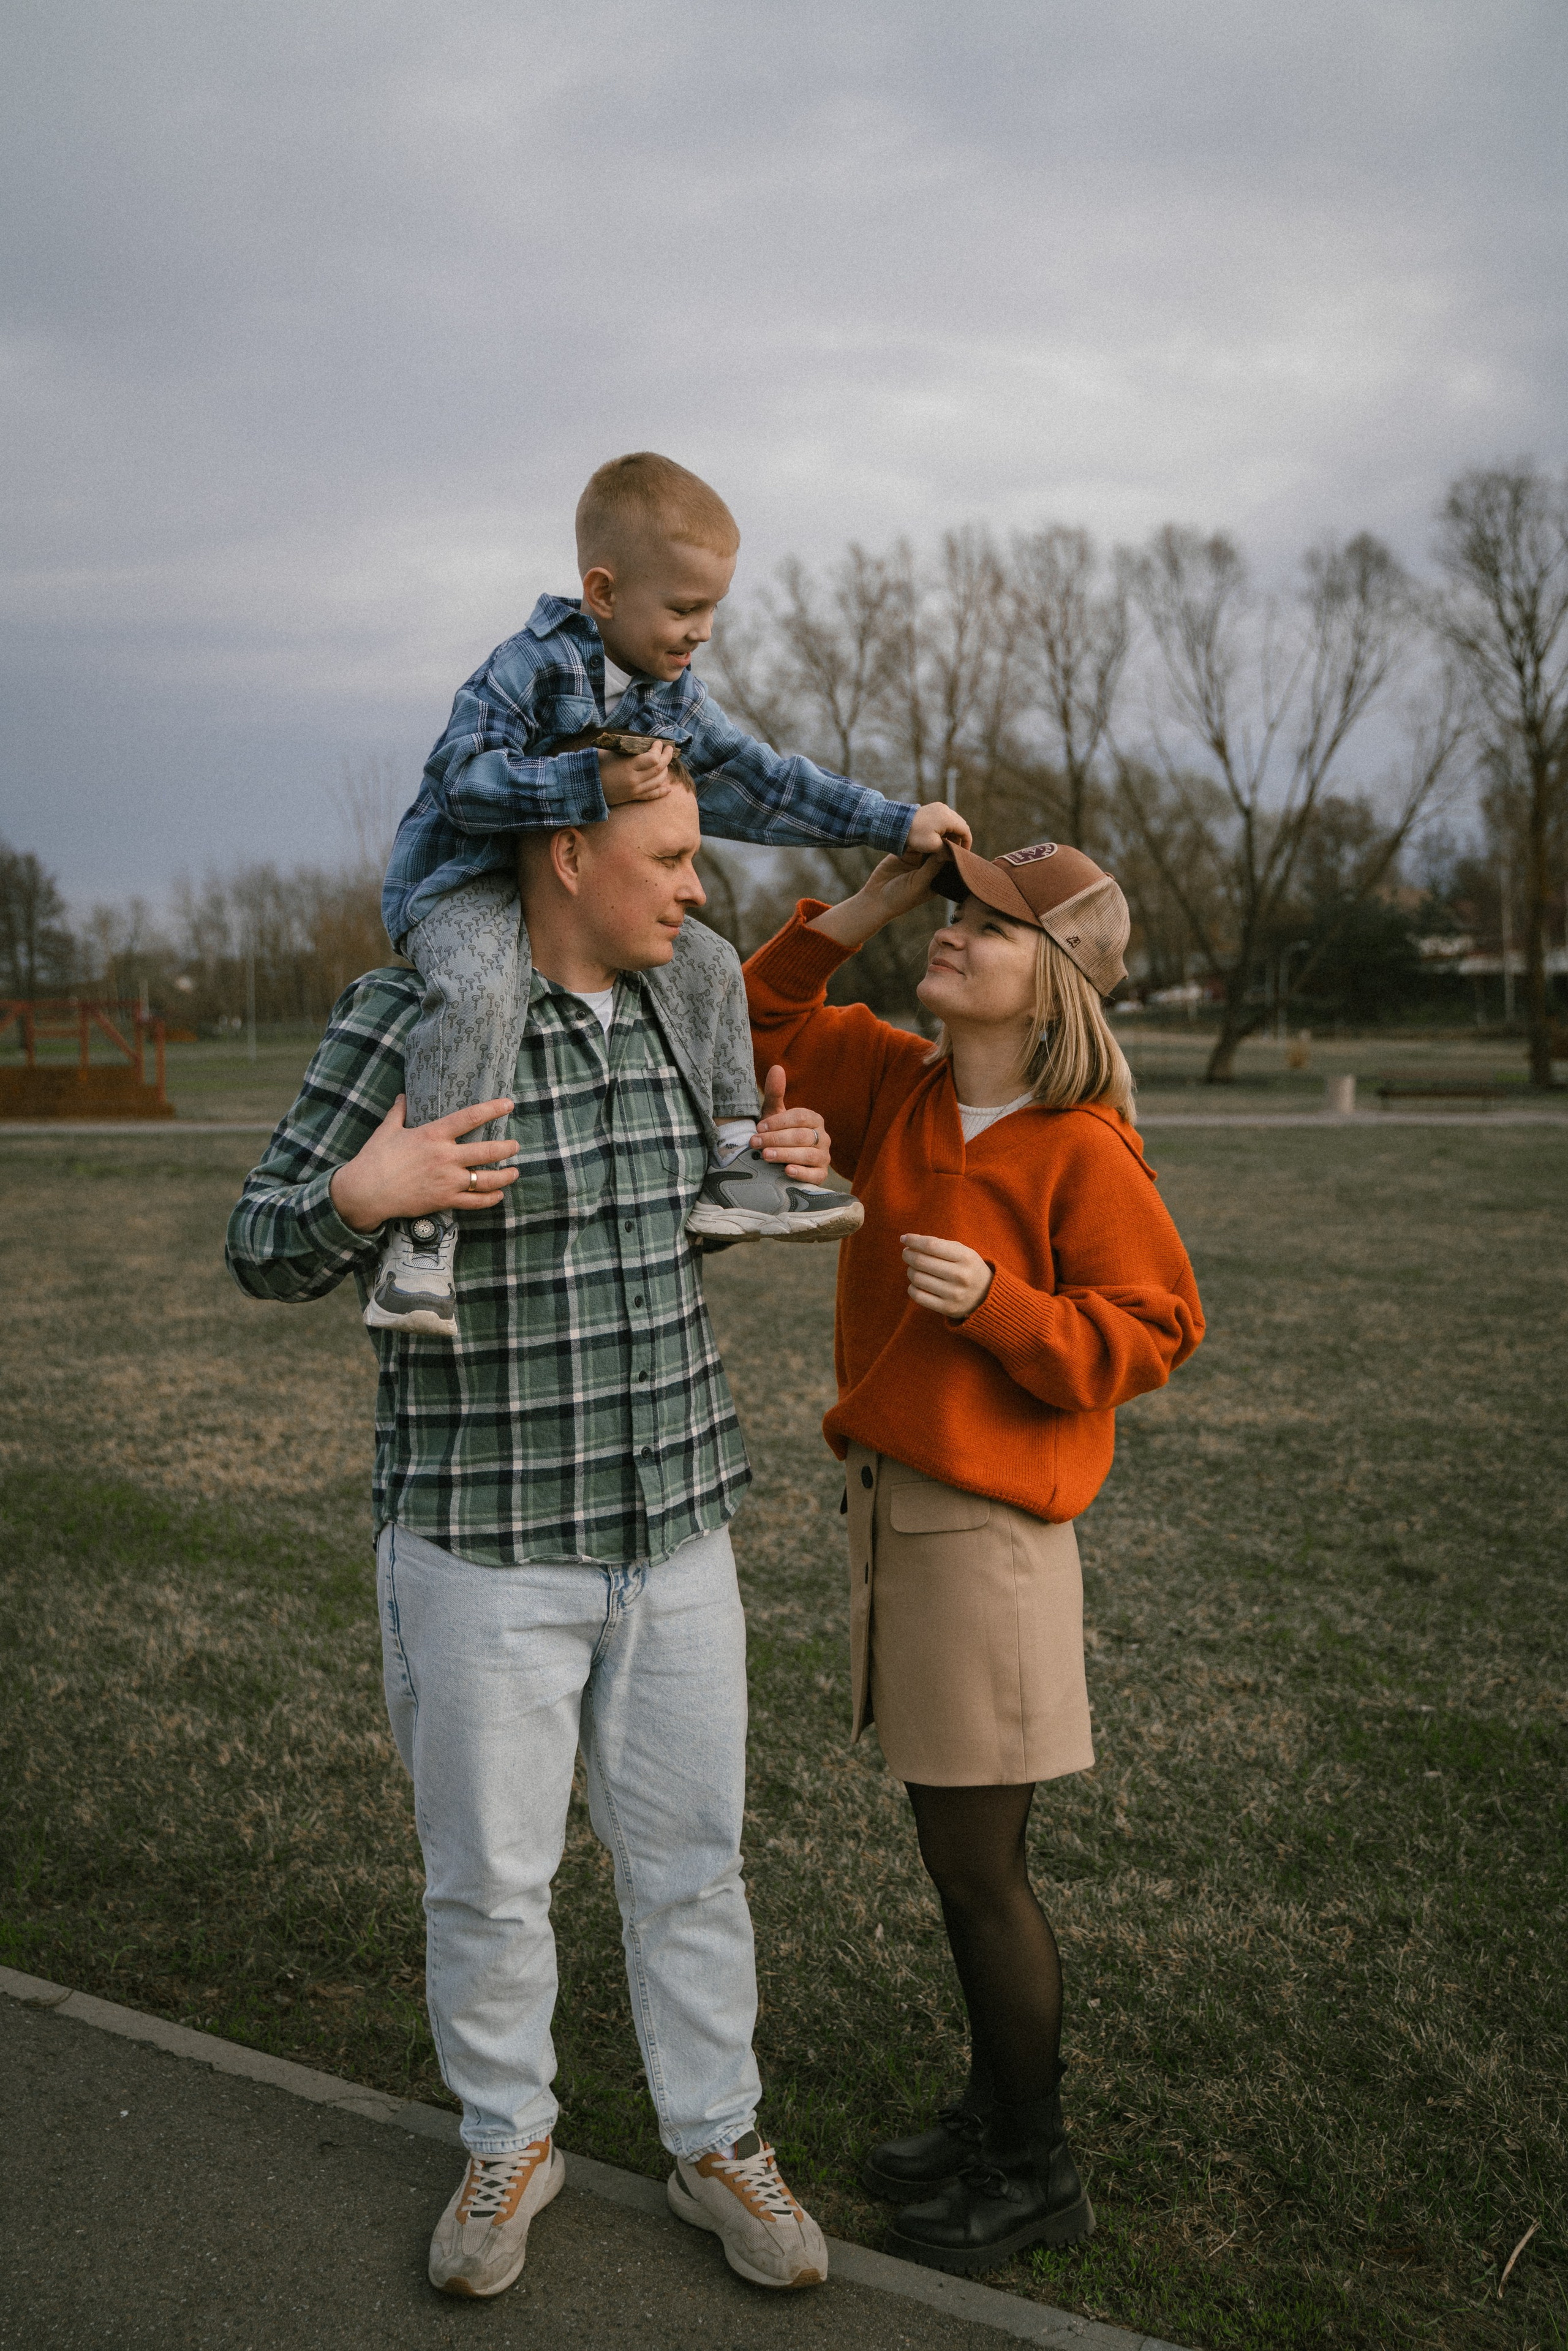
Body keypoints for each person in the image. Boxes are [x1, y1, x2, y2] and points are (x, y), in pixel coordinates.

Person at [227, 777, 840, 2301]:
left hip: (676, 1523)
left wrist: (782, 1156)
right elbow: (258, 1236)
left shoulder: (676, 1011)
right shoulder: (413, 1014)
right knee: (490, 1879)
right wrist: (365, 1193)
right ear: (568, 853)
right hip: (484, 1543)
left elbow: (716, 1209)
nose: (698, 887)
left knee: (692, 1865)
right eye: (673, 857)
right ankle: (509, 2136)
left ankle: (716, 2139)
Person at [742, 837, 1205, 2276]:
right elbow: (750, 1019)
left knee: (978, 1872)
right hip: (897, 1511)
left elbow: (1153, 1331)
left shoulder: (1077, 1144)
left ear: (1048, 981)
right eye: (950, 911)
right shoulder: (901, 1085)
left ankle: (1031, 2165)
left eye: (984, 925)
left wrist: (1005, 1306)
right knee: (956, 1861)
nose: (951, 933)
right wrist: (866, 905)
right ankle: (988, 2110)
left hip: (987, 1542)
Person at [371, 448, 970, 1338]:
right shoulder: (527, 667)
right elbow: (461, 782)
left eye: (714, 609)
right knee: (483, 983)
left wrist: (894, 822)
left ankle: (737, 1168)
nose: (703, 632)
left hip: (580, 908)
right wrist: (589, 782)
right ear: (604, 593)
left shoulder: (671, 696)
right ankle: (423, 1237)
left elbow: (766, 783)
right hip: (463, 888)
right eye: (685, 608)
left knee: (714, 960)